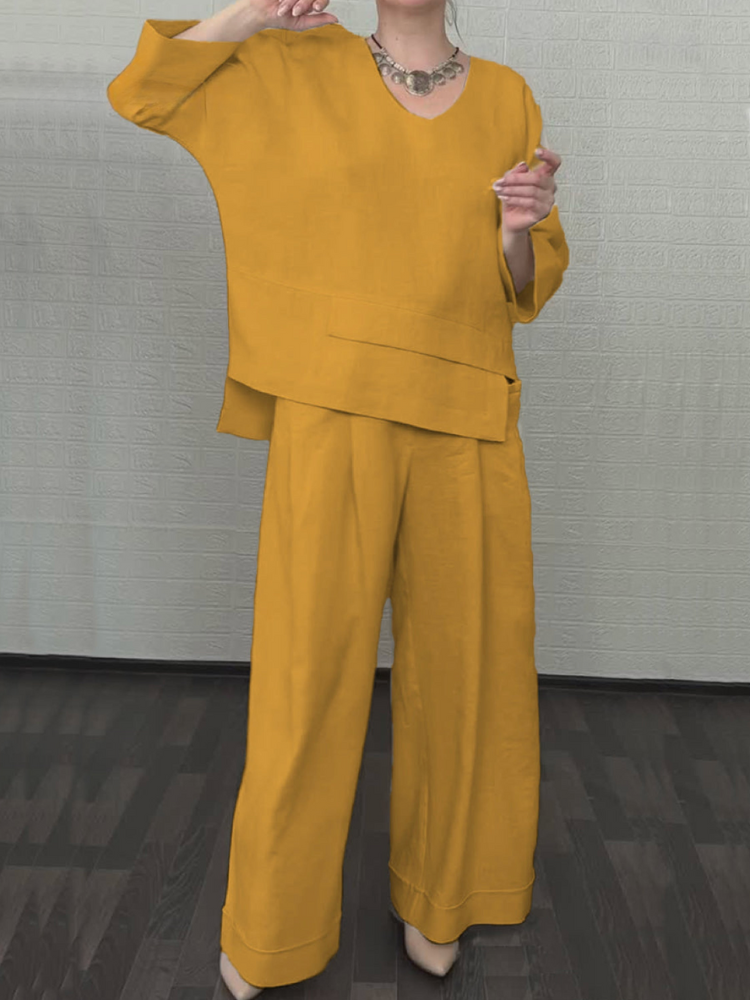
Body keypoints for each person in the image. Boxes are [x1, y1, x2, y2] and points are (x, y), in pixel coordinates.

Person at [106, 0, 570, 995]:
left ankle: (441, 898)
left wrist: (517, 230)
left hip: (465, 413)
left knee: (465, 675)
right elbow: (144, 93)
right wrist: (250, 12)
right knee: (305, 676)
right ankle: (271, 927)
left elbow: (522, 284)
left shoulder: (507, 96)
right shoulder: (296, 62)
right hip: (331, 403)